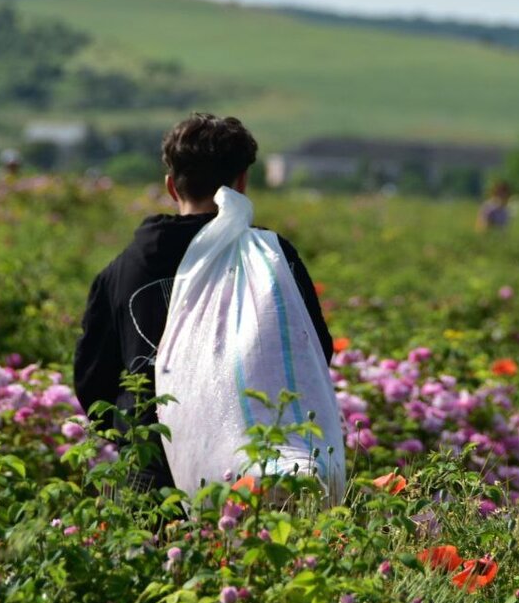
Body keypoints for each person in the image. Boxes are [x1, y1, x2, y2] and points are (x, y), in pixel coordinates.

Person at [74, 113, 333, 491]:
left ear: (171, 186)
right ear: (241, 183)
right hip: (253, 476)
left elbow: (93, 380)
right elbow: (312, 353)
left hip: (149, 474)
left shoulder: (122, 271)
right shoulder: (272, 258)